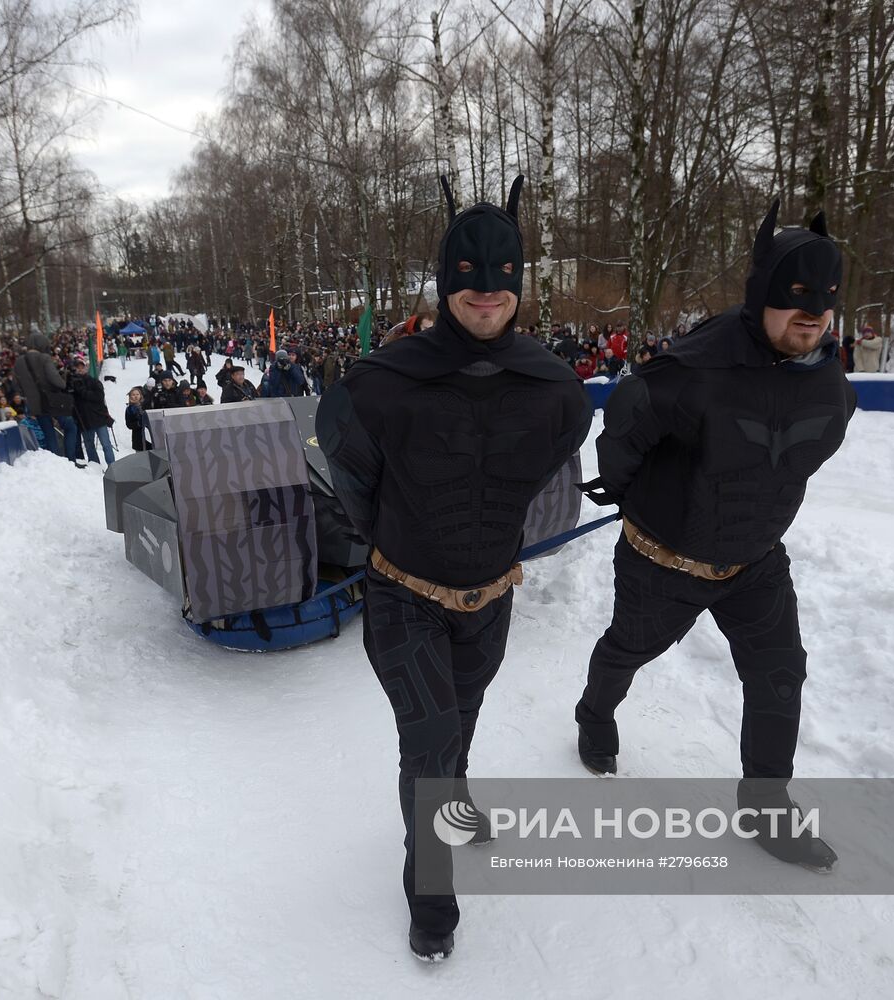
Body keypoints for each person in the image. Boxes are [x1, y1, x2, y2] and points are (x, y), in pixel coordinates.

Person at [318, 176, 591, 963]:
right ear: (445, 283)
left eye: (501, 277)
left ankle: (454, 800)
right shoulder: (380, 387)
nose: (484, 293)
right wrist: (404, 544)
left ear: (520, 284)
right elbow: (354, 485)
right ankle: (431, 899)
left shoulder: (555, 392)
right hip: (403, 596)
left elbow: (538, 478)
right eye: (467, 278)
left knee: (460, 728)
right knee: (431, 742)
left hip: (492, 598)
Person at [574, 199, 854, 874]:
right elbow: (624, 429)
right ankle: (593, 714)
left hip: (756, 562)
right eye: (794, 301)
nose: (810, 315)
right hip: (662, 559)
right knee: (630, 648)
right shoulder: (694, 367)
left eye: (823, 303)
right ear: (761, 295)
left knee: (780, 675)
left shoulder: (829, 382)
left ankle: (764, 805)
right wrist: (637, 497)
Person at [12, 332, 80, 462]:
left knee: (49, 433)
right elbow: (57, 382)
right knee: (70, 426)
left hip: (34, 404)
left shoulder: (19, 361)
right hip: (52, 400)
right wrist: (63, 379)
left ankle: (55, 463)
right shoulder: (44, 358)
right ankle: (71, 461)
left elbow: (16, 385)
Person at [68, 359, 116, 466]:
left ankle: (113, 467)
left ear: (86, 367)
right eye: (77, 367)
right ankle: (96, 467)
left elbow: (99, 397)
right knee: (89, 446)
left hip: (98, 418)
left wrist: (82, 392)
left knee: (106, 445)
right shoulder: (72, 384)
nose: (80, 369)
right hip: (84, 420)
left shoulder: (94, 381)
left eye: (82, 366)